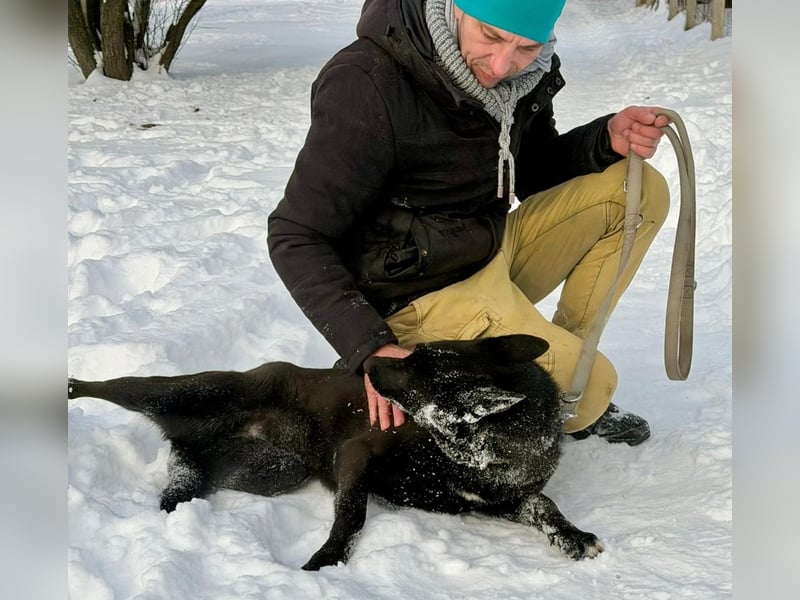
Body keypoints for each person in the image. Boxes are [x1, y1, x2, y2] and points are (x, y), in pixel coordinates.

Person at [268, 0, 671, 446]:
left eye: (526, 46)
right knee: (592, 387)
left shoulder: (527, 72)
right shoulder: (366, 83)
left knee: (637, 192)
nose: (502, 66)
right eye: (491, 36)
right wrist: (370, 346)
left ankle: (557, 360)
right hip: (413, 296)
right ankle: (562, 382)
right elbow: (296, 234)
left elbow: (532, 172)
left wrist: (605, 138)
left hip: (484, 253)